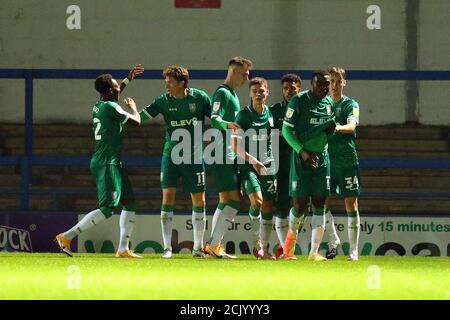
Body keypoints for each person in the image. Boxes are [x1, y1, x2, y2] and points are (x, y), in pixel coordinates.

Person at [55, 65, 144, 258]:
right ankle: (66, 236)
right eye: (116, 87)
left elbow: (114, 93)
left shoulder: (100, 105)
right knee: (108, 209)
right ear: (111, 91)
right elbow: (137, 122)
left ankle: (123, 249)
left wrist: (128, 80)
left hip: (112, 161)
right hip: (107, 163)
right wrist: (134, 108)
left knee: (130, 203)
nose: (119, 88)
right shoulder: (112, 107)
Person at [139, 66, 212, 258]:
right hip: (171, 156)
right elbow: (140, 117)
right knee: (168, 197)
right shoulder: (162, 101)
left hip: (194, 158)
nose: (167, 86)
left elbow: (217, 118)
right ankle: (167, 248)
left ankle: (197, 248)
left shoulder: (200, 98)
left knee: (199, 200)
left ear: (182, 83)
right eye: (166, 83)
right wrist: (127, 112)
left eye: (170, 83)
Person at [282, 70, 336, 261]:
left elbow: (327, 130)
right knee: (300, 204)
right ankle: (289, 246)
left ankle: (314, 252)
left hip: (322, 159)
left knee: (320, 202)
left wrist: (331, 132)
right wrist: (302, 151)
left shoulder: (329, 103)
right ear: (311, 85)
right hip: (302, 159)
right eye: (320, 85)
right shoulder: (298, 101)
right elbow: (286, 131)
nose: (324, 88)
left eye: (327, 85)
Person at [204, 56, 253, 259]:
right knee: (235, 200)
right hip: (222, 152)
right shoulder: (222, 93)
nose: (248, 77)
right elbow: (214, 118)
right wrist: (228, 125)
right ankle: (213, 244)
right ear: (234, 71)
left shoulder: (232, 94)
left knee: (225, 200)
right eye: (245, 73)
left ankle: (214, 246)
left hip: (228, 152)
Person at [231, 77, 276, 259]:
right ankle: (256, 244)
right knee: (256, 202)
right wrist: (254, 161)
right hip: (249, 166)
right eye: (255, 91)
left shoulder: (270, 114)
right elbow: (235, 146)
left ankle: (265, 248)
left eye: (262, 90)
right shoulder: (243, 116)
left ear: (267, 92)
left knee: (267, 205)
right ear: (250, 94)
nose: (258, 94)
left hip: (268, 165)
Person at [324, 67, 361, 261]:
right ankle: (333, 240)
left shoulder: (351, 104)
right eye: (332, 82)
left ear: (344, 83)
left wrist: (336, 127)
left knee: (350, 203)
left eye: (338, 82)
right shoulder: (322, 104)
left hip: (347, 160)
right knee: (322, 203)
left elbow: (352, 125)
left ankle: (353, 251)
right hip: (327, 160)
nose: (335, 85)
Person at [269, 74, 303, 258]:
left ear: (299, 88)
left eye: (293, 88)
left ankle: (286, 246)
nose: (289, 91)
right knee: (281, 207)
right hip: (280, 168)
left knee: (302, 206)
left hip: (301, 167)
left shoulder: (305, 110)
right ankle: (286, 249)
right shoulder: (274, 111)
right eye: (286, 88)